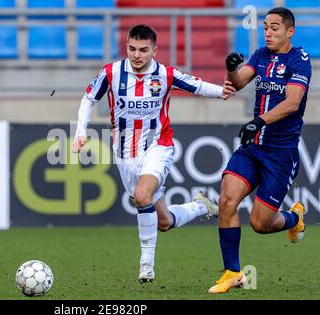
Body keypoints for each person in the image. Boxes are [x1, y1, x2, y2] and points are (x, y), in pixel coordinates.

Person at [71, 24, 236, 283]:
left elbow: (196, 84)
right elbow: (89, 99)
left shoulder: (165, 74)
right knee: (165, 222)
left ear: (154, 51)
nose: (136, 55)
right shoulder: (112, 72)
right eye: (132, 48)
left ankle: (146, 265)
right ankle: (199, 205)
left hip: (158, 145)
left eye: (143, 50)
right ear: (126, 46)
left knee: (142, 195)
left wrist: (222, 91)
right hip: (125, 152)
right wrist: (81, 131)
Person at [208, 7, 311, 294]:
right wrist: (230, 67)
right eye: (266, 26)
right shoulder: (260, 55)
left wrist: (259, 121)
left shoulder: (299, 60)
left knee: (260, 223)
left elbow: (292, 103)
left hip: (280, 153)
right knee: (227, 199)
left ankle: (295, 218)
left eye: (275, 27)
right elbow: (239, 82)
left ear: (290, 31)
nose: (268, 32)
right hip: (253, 147)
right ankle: (232, 272)